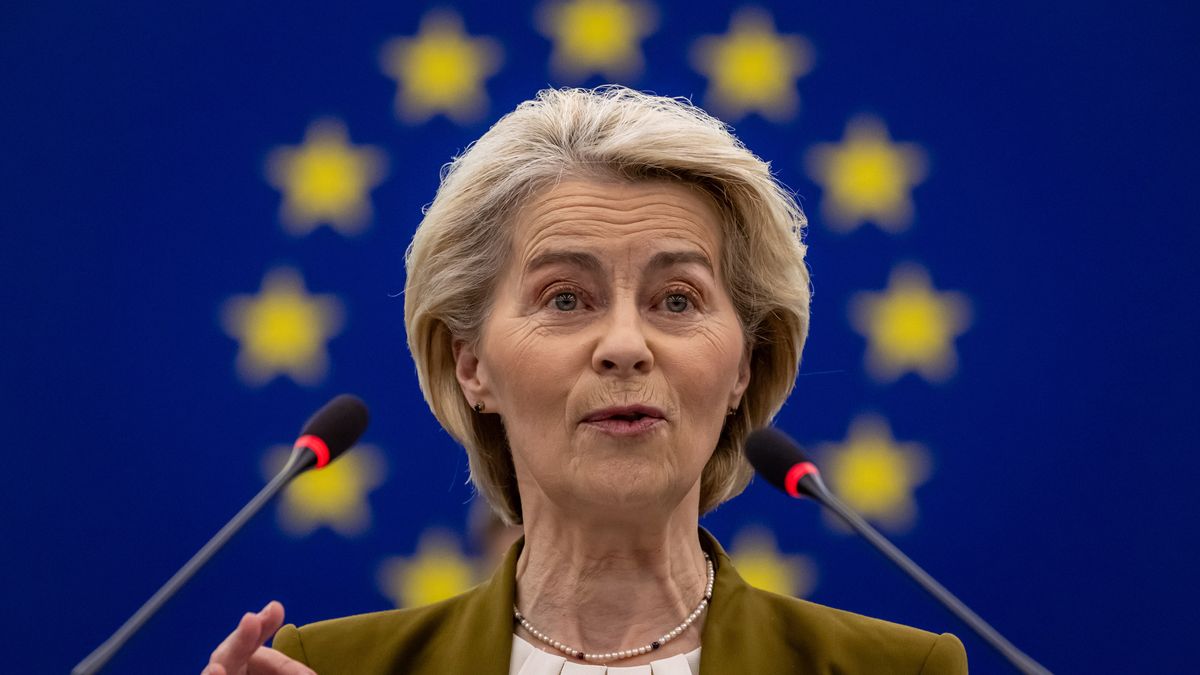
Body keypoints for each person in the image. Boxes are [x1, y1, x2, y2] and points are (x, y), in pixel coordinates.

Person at [203, 86, 968, 674]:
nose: (626, 345)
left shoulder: (896, 669)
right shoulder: (330, 669)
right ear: (472, 364)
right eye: (565, 298)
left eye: (678, 300)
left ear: (743, 364)